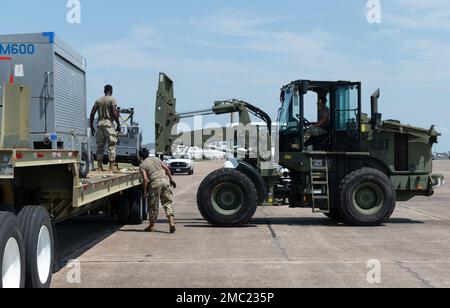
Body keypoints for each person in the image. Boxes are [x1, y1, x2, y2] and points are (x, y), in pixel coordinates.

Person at [138, 148, 177, 233]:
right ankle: (171, 223)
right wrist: (171, 179)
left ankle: (151, 226)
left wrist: (145, 191)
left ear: (140, 156)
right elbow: (167, 169)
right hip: (165, 181)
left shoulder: (142, 165)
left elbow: (145, 179)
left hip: (155, 184)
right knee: (167, 203)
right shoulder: (157, 159)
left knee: (153, 205)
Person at [89, 85, 121, 171]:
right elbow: (114, 113)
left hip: (99, 124)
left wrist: (91, 125)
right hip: (108, 124)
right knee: (112, 146)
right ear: (111, 91)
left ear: (104, 91)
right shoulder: (112, 100)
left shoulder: (98, 100)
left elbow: (92, 113)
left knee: (100, 146)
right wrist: (118, 124)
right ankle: (111, 167)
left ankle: (99, 166)